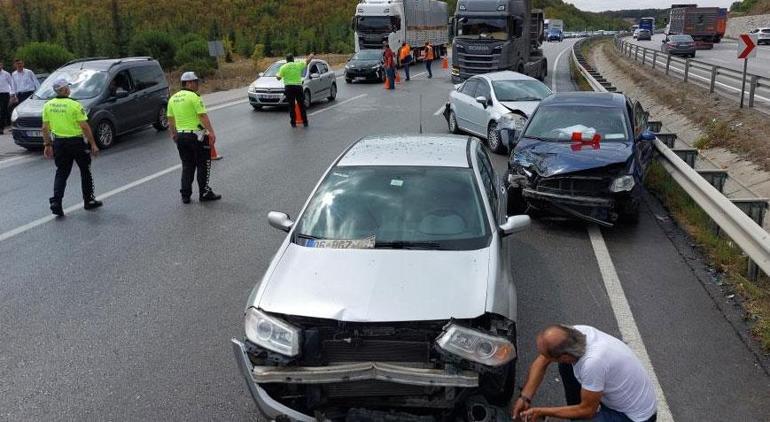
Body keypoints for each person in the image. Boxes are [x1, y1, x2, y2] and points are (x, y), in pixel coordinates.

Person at [514, 324, 657, 422]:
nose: (542, 357)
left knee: (585, 412)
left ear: (564, 355)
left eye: (547, 355)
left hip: (633, 417)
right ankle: (575, 414)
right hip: (617, 396)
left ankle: (577, 416)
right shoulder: (574, 334)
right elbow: (541, 362)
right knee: (567, 368)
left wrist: (542, 412)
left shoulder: (592, 363)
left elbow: (588, 410)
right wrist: (525, 398)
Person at [42, 78, 102, 216]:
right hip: (76, 142)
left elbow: (45, 128)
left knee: (61, 172)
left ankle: (56, 202)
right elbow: (84, 127)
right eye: (67, 87)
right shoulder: (75, 105)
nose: (69, 89)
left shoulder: (48, 105)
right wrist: (93, 144)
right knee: (85, 170)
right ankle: (88, 201)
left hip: (59, 143)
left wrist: (47, 144)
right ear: (63, 90)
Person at [166, 71, 221, 204]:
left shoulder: (173, 98)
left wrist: (173, 134)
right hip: (197, 136)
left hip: (181, 136)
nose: (198, 85)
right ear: (189, 83)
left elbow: (170, 120)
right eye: (196, 82)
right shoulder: (194, 97)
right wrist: (211, 133)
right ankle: (204, 193)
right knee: (203, 164)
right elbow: (202, 116)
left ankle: (185, 195)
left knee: (187, 165)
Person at [276, 53, 314, 127]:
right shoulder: (297, 65)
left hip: (289, 88)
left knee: (291, 106)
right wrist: (311, 56)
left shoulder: (283, 67)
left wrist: (277, 75)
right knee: (301, 105)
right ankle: (305, 122)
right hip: (298, 87)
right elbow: (307, 61)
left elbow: (279, 78)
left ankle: (293, 123)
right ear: (293, 59)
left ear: (286, 60)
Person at [0, 61, 15, 133]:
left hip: (4, 94)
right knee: (4, 111)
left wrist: (12, 94)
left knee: (2, 111)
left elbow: (11, 84)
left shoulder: (6, 74)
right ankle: (9, 123)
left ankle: (1, 128)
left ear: (2, 65)